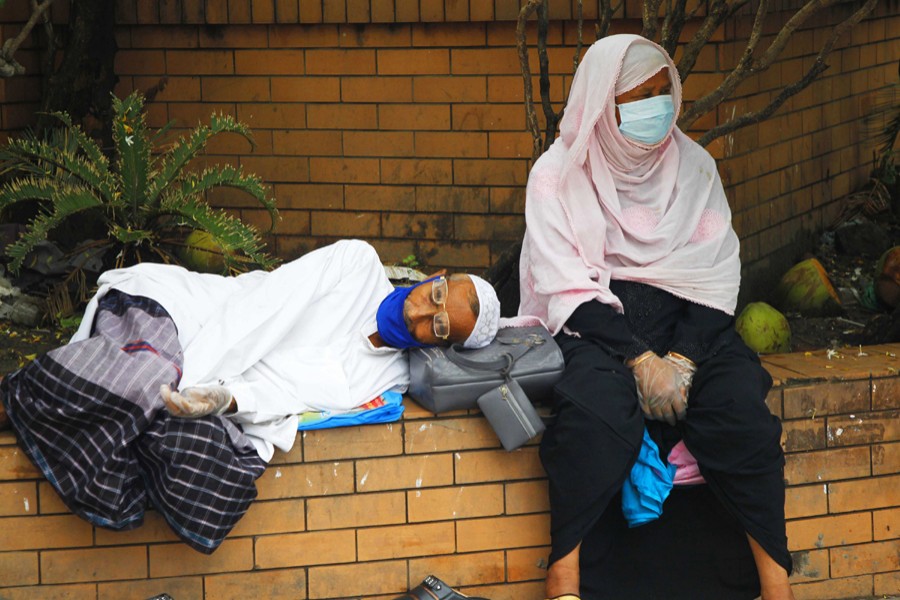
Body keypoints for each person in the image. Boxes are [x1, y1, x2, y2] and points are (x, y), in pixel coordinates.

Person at [0, 239, 501, 553]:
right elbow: (260, 314)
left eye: (438, 327)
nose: (420, 313)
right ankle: (17, 401)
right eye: (435, 296)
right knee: (143, 382)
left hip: (210, 383)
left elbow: (287, 395)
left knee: (209, 467)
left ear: (440, 345)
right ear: (435, 278)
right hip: (183, 319)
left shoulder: (382, 380)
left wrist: (222, 401)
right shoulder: (357, 265)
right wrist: (186, 383)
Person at [518, 35, 794, 600]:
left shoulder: (695, 168)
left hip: (693, 328)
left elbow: (716, 271)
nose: (656, 107)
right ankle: (564, 576)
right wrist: (640, 360)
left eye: (661, 91)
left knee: (739, 410)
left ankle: (776, 585)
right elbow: (563, 281)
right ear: (603, 103)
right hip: (596, 329)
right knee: (592, 416)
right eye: (637, 97)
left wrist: (684, 360)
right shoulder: (557, 175)